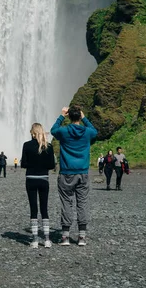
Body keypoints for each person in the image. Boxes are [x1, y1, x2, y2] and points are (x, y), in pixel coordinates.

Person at [50, 105, 97, 246]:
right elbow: (95, 131)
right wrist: (84, 118)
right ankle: (82, 236)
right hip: (82, 172)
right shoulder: (88, 132)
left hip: (66, 173)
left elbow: (53, 130)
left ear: (69, 116)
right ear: (79, 117)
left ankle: (65, 236)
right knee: (81, 203)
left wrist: (61, 115)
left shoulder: (64, 132)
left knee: (66, 203)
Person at [21, 123, 56, 248]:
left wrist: (32, 163)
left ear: (32, 133)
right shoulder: (49, 146)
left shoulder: (26, 145)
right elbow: (52, 165)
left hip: (30, 179)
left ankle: (35, 240)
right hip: (43, 179)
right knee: (44, 209)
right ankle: (46, 239)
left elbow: (23, 164)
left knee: (33, 209)